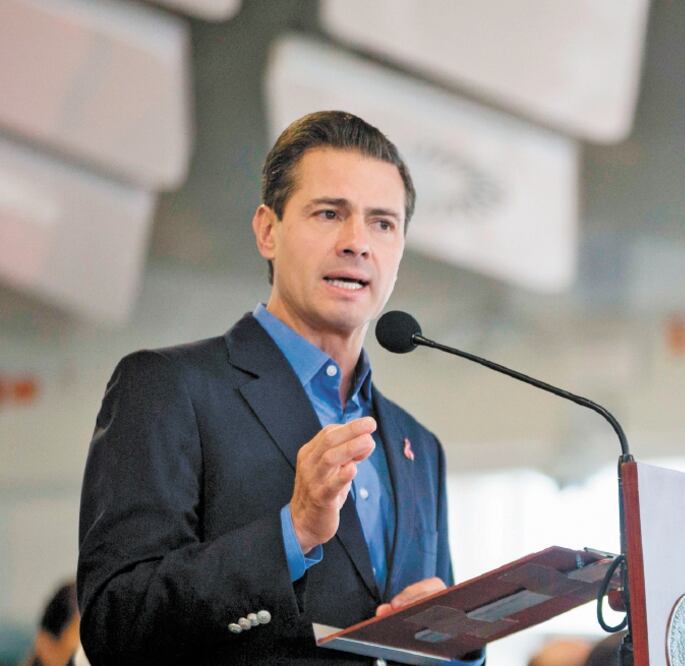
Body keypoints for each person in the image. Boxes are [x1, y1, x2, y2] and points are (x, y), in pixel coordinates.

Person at [77, 111, 459, 664]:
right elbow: (117, 623)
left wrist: (450, 640)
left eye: (383, 223)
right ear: (267, 230)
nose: (357, 243)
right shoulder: (168, 388)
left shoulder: (419, 446)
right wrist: (292, 532)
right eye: (329, 213)